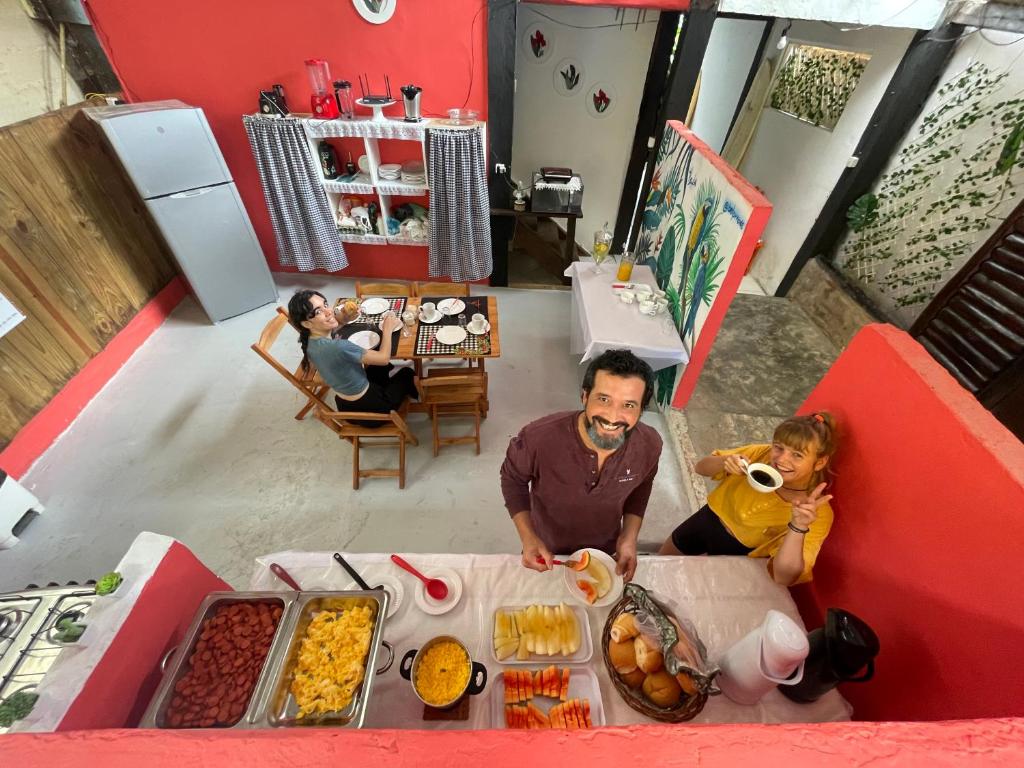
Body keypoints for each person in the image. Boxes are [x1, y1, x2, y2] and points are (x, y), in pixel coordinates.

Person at [500, 349, 662, 582]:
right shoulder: (538, 437)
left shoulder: (650, 444)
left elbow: (641, 487)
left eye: (628, 405)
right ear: (585, 396)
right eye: (604, 399)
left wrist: (628, 538)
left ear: (641, 410)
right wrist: (528, 537)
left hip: (605, 550)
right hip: (546, 547)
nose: (612, 417)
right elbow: (512, 480)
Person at [658, 413, 838, 585]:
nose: (781, 459)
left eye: (797, 455)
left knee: (697, 588)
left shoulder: (815, 511)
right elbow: (700, 467)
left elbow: (784, 577)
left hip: (738, 553)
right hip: (705, 520)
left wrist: (799, 526)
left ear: (820, 462)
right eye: (778, 447)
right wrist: (725, 462)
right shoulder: (760, 455)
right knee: (659, 566)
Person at [287, 290, 417, 424]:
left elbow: (330, 333)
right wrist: (388, 329)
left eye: (325, 304)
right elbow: (383, 359)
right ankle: (415, 400)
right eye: (318, 312)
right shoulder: (340, 346)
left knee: (376, 362)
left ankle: (388, 386)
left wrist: (343, 320)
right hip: (374, 409)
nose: (329, 311)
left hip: (345, 407)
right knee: (407, 373)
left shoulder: (309, 341)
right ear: (306, 323)